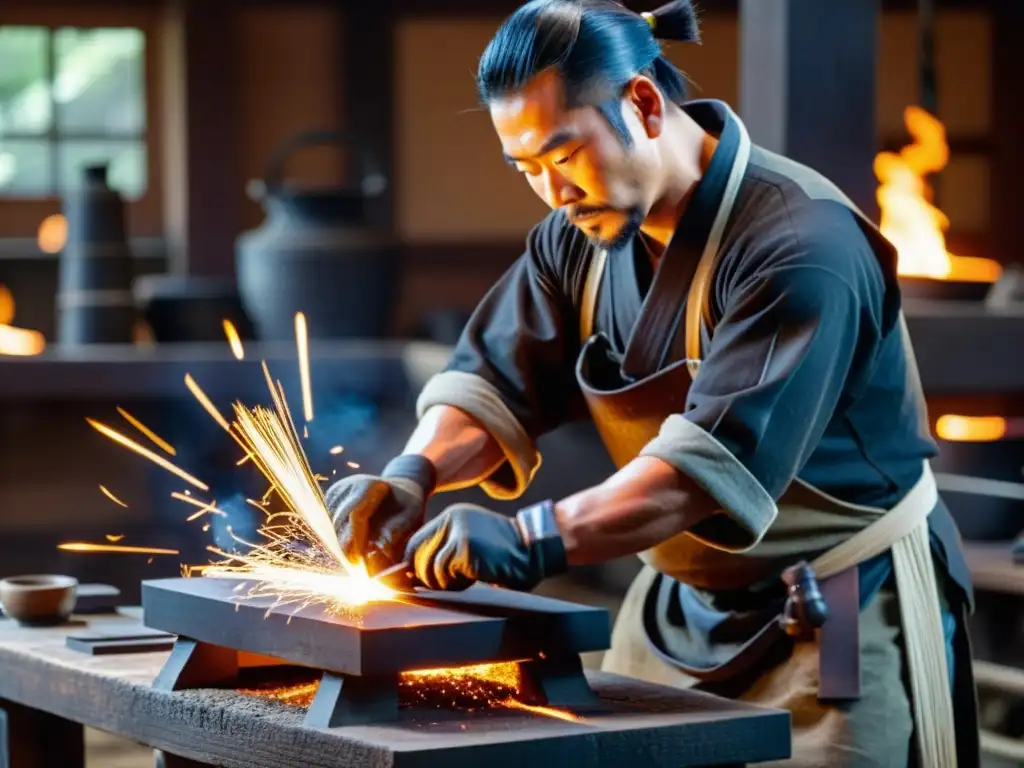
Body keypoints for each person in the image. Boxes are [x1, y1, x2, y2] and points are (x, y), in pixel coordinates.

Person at [325, 1, 978, 765]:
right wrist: (416, 472)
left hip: (838, 610)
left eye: (563, 156)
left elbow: (702, 472)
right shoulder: (573, 240)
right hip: (676, 613)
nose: (551, 193)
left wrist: (530, 538)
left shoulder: (804, 246)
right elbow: (492, 379)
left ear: (640, 103)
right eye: (528, 168)